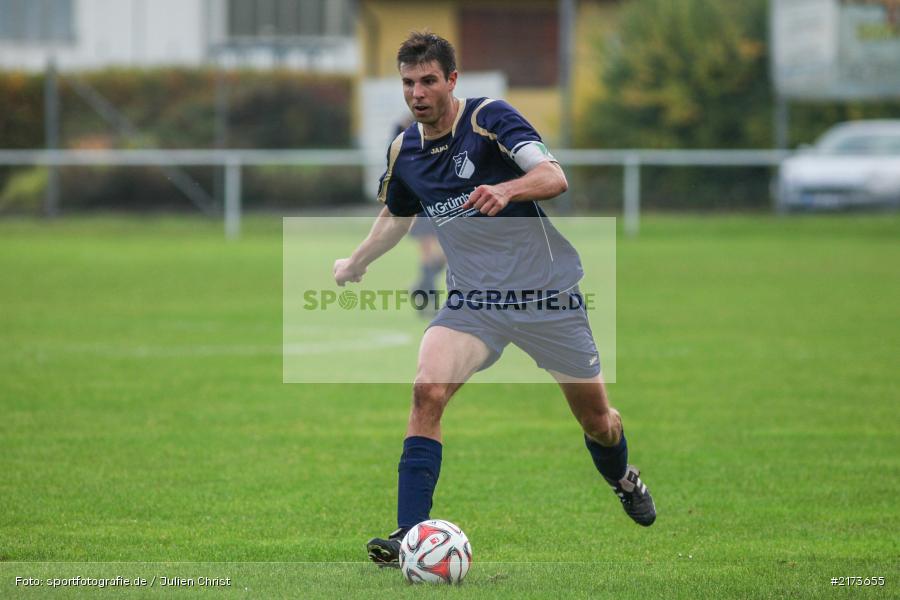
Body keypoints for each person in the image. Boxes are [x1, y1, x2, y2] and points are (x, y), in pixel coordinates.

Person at [333, 32, 655, 568]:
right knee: (426, 391)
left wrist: (507, 189)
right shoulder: (404, 150)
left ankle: (623, 476)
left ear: (452, 81)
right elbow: (396, 215)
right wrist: (357, 260)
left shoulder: (490, 119)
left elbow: (554, 176)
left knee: (599, 421)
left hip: (546, 296)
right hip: (474, 302)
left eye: (429, 80)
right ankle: (411, 536)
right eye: (409, 82)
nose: (418, 92)